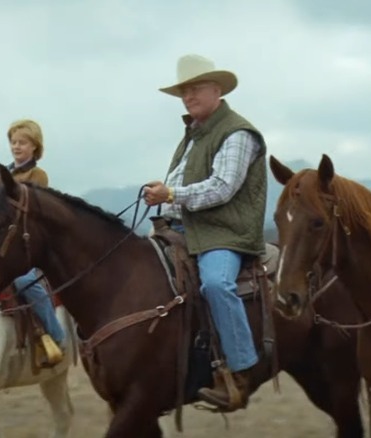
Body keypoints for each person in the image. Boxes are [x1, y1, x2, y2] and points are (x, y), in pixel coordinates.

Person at [143, 54, 267, 411]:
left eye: (196, 88)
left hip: (223, 232)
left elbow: (222, 187)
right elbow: (180, 186)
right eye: (184, 90)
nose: (188, 96)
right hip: (181, 228)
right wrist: (162, 201)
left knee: (216, 284)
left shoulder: (237, 133)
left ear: (217, 89)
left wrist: (171, 194)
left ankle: (240, 372)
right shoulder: (193, 135)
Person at [0, 119, 66, 366]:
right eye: (13, 142)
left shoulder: (37, 175)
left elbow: (29, 212)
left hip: (23, 246)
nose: (16, 147)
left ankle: (57, 336)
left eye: (23, 142)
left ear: (34, 146)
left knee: (26, 281)